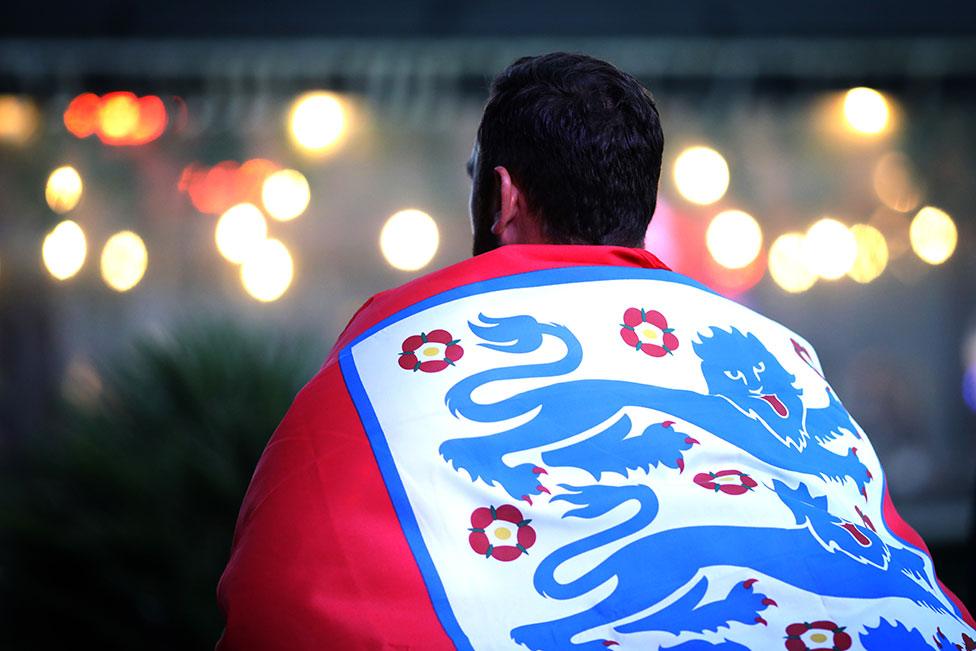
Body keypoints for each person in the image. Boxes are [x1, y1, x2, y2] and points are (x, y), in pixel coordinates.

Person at [216, 52, 975, 650]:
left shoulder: (390, 356)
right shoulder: (778, 353)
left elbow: (290, 595)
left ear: (503, 198)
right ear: (638, 205)